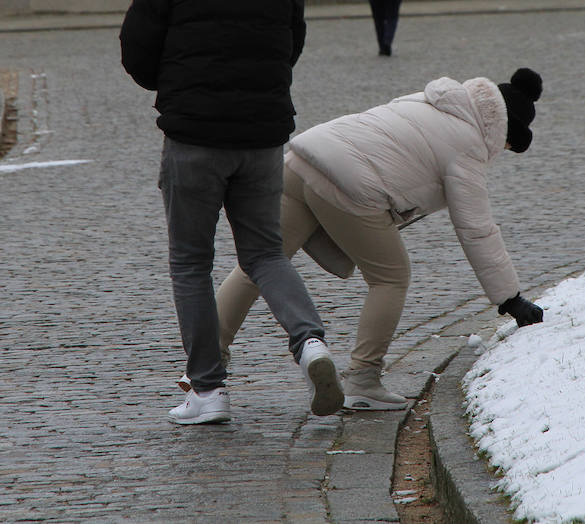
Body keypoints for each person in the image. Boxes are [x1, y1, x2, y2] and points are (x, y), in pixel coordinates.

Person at [120, 0, 343, 425]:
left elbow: (136, 50)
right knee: (265, 253)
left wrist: (173, 87)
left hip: (193, 139)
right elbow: (292, 44)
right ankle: (310, 343)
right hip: (263, 139)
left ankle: (208, 390)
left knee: (191, 262)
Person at [206, 67, 546, 411]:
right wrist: (510, 298)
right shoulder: (470, 145)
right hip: (349, 183)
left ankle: (205, 365)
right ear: (503, 129)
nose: (502, 151)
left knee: (259, 262)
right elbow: (476, 228)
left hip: (303, 157)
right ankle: (363, 380)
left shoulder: (431, 101)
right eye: (508, 144)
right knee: (391, 277)